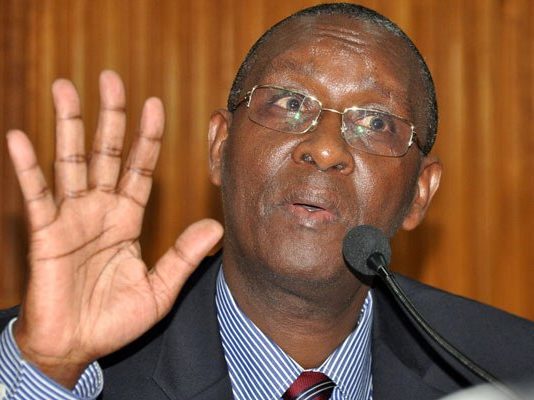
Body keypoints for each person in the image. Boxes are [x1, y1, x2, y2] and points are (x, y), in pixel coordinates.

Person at [0, 3, 533, 400]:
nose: (325, 149)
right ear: (220, 147)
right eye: (290, 102)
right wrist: (50, 372)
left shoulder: (506, 373)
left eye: (376, 122)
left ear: (420, 193)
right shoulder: (59, 358)